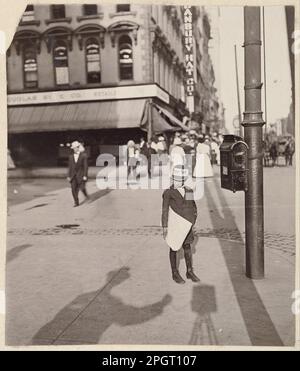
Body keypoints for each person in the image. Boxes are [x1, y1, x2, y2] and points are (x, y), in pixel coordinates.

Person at [162, 165, 200, 284]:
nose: (178, 182)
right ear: (172, 179)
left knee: (187, 246)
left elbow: (193, 206)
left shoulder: (188, 190)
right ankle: (175, 273)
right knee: (174, 246)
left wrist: (193, 219)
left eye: (181, 180)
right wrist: (165, 226)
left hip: (187, 224)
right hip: (175, 224)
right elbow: (164, 210)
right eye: (176, 179)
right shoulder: (168, 192)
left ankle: (189, 271)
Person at [67, 141, 89, 207]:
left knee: (82, 188)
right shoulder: (71, 156)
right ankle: (76, 202)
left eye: (75, 148)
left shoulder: (83, 156)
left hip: (81, 175)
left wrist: (85, 175)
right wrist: (68, 175)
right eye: (73, 148)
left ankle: (85, 194)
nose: (74, 149)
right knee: (73, 189)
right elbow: (70, 167)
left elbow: (86, 166)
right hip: (73, 176)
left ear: (78, 147)